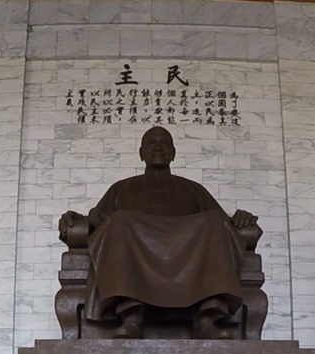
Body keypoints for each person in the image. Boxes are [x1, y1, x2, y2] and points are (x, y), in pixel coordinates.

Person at [58, 127, 258, 339]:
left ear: (173, 153)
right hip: (134, 246)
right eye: (151, 144)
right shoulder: (122, 188)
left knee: (214, 221)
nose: (158, 148)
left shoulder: (193, 190)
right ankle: (131, 316)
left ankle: (206, 318)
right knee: (119, 221)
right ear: (141, 153)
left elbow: (224, 225)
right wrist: (75, 220)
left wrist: (241, 219)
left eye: (164, 144)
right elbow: (97, 222)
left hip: (188, 251)